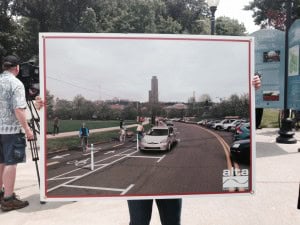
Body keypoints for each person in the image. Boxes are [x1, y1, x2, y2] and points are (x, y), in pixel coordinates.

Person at [127, 75, 262, 225]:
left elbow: (255, 122)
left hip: (171, 184)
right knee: (138, 222)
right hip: (137, 187)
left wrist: (254, 94)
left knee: (172, 221)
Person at [0, 55, 35, 211]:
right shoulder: (16, 83)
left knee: (1, 162)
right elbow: (18, 109)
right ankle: (8, 198)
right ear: (17, 68)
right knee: (10, 163)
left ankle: (2, 193)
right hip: (11, 130)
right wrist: (27, 130)